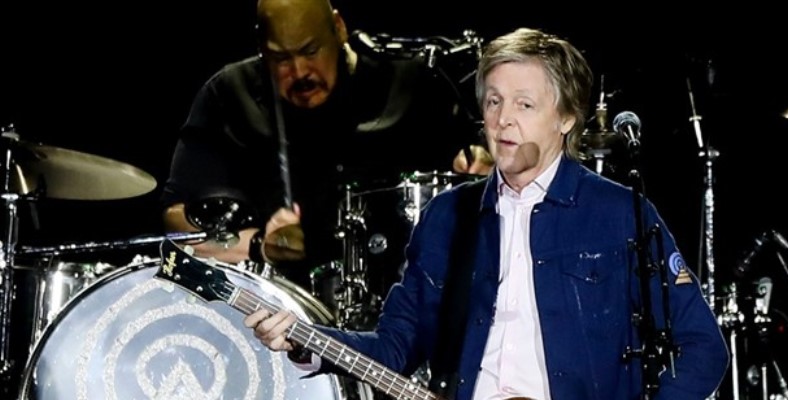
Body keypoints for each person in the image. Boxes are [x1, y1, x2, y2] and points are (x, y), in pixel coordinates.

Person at [245, 27, 729, 399]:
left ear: (566, 118)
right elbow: (394, 347)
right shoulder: (447, 217)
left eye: (524, 104)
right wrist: (305, 338)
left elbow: (703, 348)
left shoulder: (620, 213)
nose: (503, 120)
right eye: (494, 102)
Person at [161, 0, 492, 287]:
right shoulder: (229, 96)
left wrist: (481, 164)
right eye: (281, 58)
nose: (299, 71)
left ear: (339, 28)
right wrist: (258, 245)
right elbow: (177, 221)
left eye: (310, 51)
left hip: (406, 296)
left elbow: (480, 166)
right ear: (261, 46)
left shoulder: (410, 83)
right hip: (278, 308)